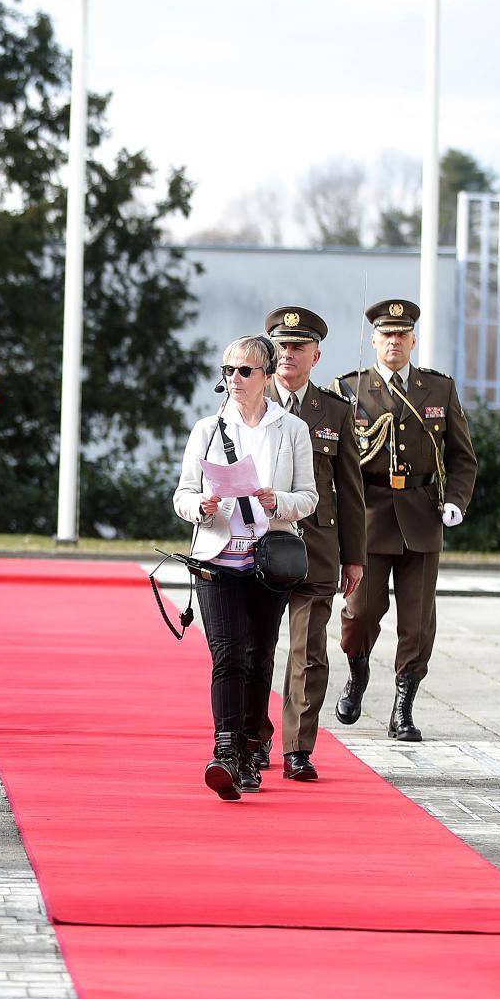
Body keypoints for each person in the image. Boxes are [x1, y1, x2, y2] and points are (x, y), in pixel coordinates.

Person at [173, 334, 317, 801]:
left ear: (268, 375)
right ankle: (226, 752)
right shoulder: (207, 430)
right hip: (217, 558)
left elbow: (309, 499)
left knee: (258, 656)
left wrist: (280, 501)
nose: (234, 379)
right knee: (227, 655)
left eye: (245, 371)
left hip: (269, 557)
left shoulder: (291, 429)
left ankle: (254, 745)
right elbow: (182, 494)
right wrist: (201, 506)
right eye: (228, 370)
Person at [333, 299, 478, 741]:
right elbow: (335, 460)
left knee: (416, 622)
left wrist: (455, 499)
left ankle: (403, 706)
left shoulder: (438, 390)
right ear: (374, 340)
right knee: (360, 612)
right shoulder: (348, 389)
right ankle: (357, 674)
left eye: (402, 335)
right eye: (386, 335)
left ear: (413, 340)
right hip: (370, 514)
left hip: (420, 514)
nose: (394, 342)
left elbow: (462, 457)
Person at [254, 306, 365, 781]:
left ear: (316, 356)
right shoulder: (250, 403)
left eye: (298, 347)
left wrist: (354, 557)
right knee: (255, 648)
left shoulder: (335, 412)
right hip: (257, 541)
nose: (287, 354)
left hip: (315, 547)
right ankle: (253, 741)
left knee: (309, 652)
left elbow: (352, 490)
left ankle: (297, 748)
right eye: (280, 346)